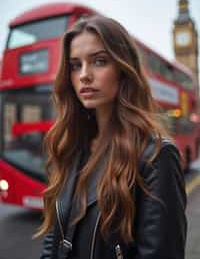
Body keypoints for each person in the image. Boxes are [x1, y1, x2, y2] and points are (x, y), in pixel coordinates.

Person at [38, 15, 187, 259]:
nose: (84, 75)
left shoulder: (157, 156)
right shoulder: (72, 147)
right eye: (75, 65)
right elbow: (54, 239)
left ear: (123, 68)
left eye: (99, 61)